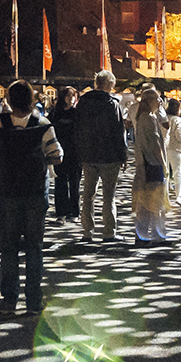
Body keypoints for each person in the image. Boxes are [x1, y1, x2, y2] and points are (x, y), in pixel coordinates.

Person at [0, 79, 62, 314]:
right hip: (35, 191)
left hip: (7, 191)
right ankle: (33, 300)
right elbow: (57, 155)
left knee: (8, 246)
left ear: (9, 99)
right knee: (34, 246)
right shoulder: (42, 123)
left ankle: (9, 299)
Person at [73, 71, 128, 242]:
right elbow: (119, 132)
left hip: (88, 154)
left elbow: (77, 128)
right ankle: (109, 231)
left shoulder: (83, 103)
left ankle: (87, 231)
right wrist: (123, 155)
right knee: (108, 195)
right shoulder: (112, 104)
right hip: (109, 154)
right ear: (109, 85)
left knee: (88, 193)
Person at [131, 88, 169, 244]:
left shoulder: (144, 117)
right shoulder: (149, 119)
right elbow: (155, 145)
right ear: (148, 102)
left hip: (146, 163)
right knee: (153, 202)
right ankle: (152, 234)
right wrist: (164, 165)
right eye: (156, 99)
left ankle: (149, 234)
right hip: (152, 164)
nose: (159, 102)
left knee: (149, 201)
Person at [49, 87, 81, 219]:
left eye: (73, 96)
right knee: (60, 183)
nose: (70, 98)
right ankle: (61, 211)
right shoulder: (55, 113)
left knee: (75, 183)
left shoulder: (77, 113)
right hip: (59, 153)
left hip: (75, 153)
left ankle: (74, 211)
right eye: (68, 96)